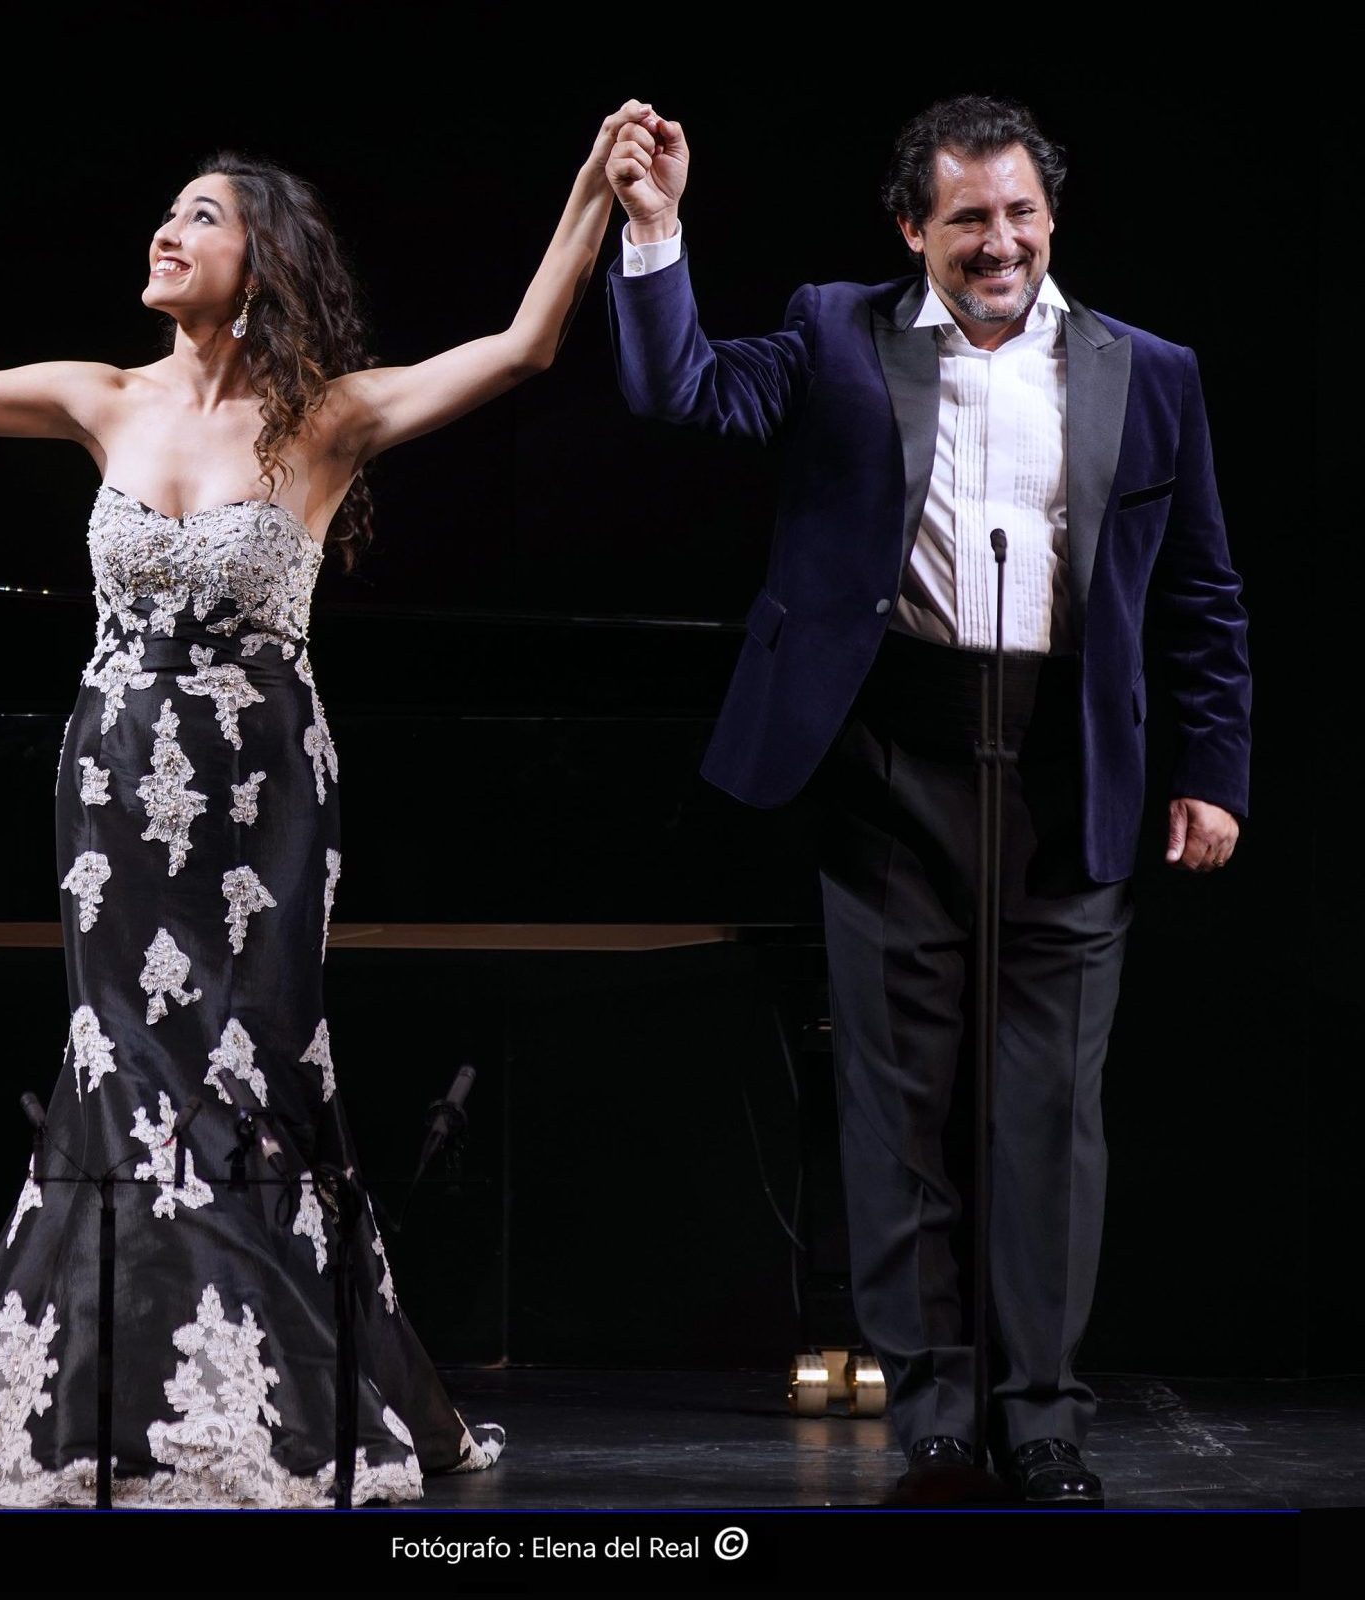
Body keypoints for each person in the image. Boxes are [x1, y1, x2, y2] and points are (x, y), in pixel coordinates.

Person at [0, 108, 634, 1506]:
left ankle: (270, 1382)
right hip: (112, 780)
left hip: (264, 797)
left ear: (265, 262)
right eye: (168, 209)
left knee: (249, 1074)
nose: (168, 229)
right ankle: (113, 1380)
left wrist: (590, 191)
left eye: (203, 215)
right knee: (125, 1067)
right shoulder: (99, 395)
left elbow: (520, 349)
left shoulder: (329, 416)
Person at [603, 95, 1251, 1506]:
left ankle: (1045, 1420)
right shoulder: (837, 333)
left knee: (1049, 1121)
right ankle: (939, 1423)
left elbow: (1202, 590)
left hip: (1070, 773)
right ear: (913, 228)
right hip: (891, 765)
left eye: (1020, 214)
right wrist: (654, 231)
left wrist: (1213, 771)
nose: (998, 242)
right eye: (967, 218)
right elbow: (680, 390)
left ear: (1051, 219)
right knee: (901, 1112)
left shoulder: (1150, 371)